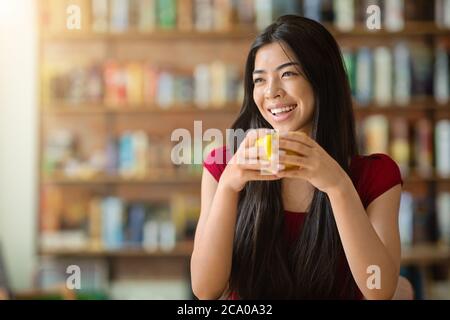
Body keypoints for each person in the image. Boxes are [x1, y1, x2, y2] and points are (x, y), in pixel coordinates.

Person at [191, 15, 410, 300]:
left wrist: (338, 186)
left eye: (288, 74)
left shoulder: (376, 176)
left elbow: (379, 290)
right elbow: (205, 290)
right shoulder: (223, 167)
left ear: (322, 78)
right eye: (259, 80)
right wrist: (229, 186)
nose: (271, 92)